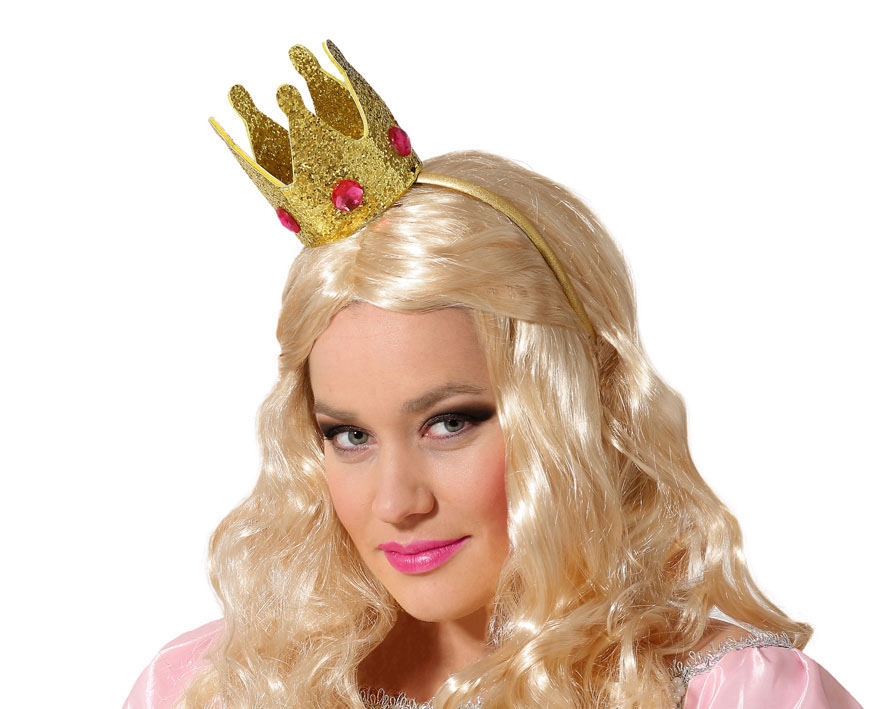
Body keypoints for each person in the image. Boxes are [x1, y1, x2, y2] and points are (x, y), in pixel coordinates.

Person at [125, 42, 861, 708]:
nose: (397, 502)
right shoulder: (216, 687)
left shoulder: (738, 696)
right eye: (349, 435)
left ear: (570, 408)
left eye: (449, 423)